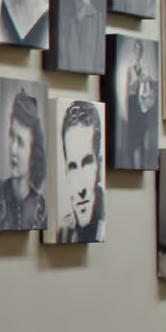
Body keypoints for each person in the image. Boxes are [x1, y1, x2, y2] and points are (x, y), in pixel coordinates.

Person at [0, 89, 46, 232]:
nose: (13, 150)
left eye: (21, 142)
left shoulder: (41, 208)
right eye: (12, 137)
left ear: (33, 150)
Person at [55, 101, 104, 244]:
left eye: (87, 163)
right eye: (73, 167)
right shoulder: (63, 232)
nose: (80, 189)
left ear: (99, 166)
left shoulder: (109, 224)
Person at [113, 40, 159, 168]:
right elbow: (127, 92)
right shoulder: (131, 69)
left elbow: (148, 90)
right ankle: (133, 164)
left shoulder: (143, 71)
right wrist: (127, 111)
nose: (138, 52)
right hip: (133, 104)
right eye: (136, 49)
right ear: (134, 51)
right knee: (133, 136)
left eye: (140, 50)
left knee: (143, 134)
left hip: (141, 106)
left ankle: (142, 164)